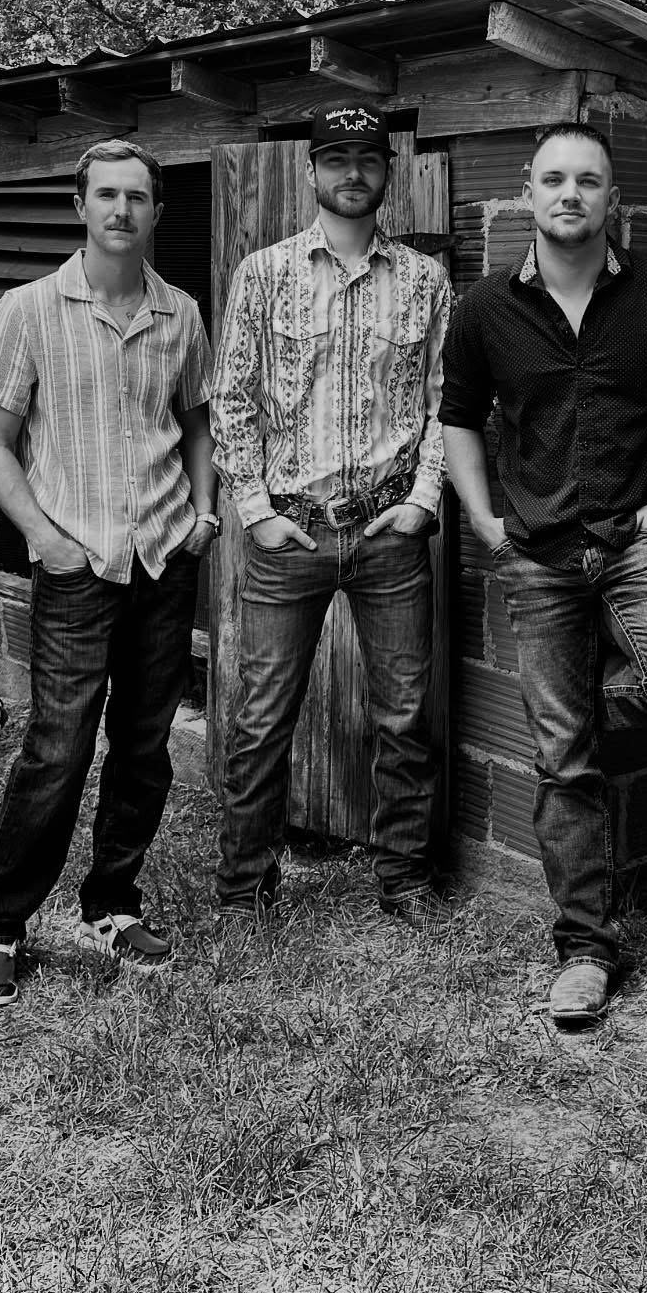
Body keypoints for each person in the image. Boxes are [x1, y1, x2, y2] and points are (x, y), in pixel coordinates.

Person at [441, 120, 647, 1029]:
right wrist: (484, 519)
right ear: (529, 192)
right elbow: (457, 418)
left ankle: (585, 703)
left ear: (613, 198)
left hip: (640, 544)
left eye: (589, 181)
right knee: (563, 763)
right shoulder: (484, 309)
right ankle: (586, 950)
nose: (570, 194)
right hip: (536, 557)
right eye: (555, 179)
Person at [0, 139, 218, 1008]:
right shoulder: (28, 310)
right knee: (59, 746)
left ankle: (111, 902)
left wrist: (203, 515)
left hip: (162, 557)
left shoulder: (180, 313)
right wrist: (46, 538)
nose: (121, 210)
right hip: (77, 564)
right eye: (105, 194)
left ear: (156, 211)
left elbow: (196, 424)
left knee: (144, 745)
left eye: (136, 197)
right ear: (80, 205)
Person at [211, 100, 452, 929]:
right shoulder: (264, 273)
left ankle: (405, 879)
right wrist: (255, 510)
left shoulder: (423, 280)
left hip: (389, 533)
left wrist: (423, 500)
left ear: (389, 173)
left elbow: (447, 401)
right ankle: (244, 885)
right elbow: (231, 400)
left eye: (369, 160)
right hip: (290, 531)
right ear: (312, 171)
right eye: (338, 159)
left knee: (405, 716)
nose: (354, 173)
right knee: (261, 715)